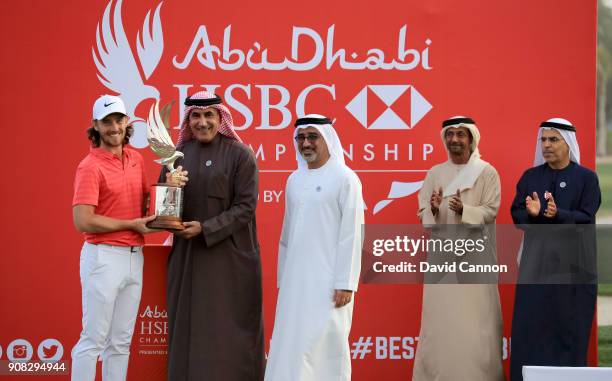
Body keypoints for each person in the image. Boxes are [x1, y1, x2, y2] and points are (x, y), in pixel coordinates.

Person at [162, 91, 264, 380]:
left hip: (230, 260)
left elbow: (245, 207)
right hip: (188, 259)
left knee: (228, 333)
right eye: (196, 116)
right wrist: (169, 186)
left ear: (221, 119)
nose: (202, 122)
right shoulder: (175, 157)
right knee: (190, 331)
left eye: (209, 115)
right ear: (188, 120)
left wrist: (206, 229)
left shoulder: (240, 154)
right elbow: (163, 213)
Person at [264, 115, 364, 381]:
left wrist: (345, 282)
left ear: (327, 138)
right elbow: (287, 235)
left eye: (312, 137)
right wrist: (284, 278)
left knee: (325, 346)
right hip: (295, 283)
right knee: (291, 344)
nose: (306, 143)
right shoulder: (294, 179)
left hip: (330, 283)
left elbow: (352, 234)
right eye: (301, 138)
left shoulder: (345, 178)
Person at [71, 94, 156, 381]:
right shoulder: (89, 166)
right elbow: (83, 220)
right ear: (95, 125)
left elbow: (147, 201)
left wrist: (171, 187)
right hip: (103, 257)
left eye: (118, 120)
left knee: (120, 343)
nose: (114, 127)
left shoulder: (136, 159)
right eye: (107, 122)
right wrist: (131, 224)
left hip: (134, 256)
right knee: (93, 340)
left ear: (127, 122)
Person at [413, 116, 504, 381]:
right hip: (442, 260)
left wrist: (464, 210)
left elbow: (490, 210)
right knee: (441, 326)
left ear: (471, 138)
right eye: (450, 134)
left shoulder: (486, 172)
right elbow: (423, 213)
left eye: (460, 134)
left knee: (475, 327)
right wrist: (432, 208)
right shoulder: (435, 173)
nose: (454, 140)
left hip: (476, 259)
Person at [510, 118, 601, 381]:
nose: (547, 145)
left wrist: (556, 214)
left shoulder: (586, 178)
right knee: (531, 328)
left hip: (573, 268)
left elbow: (586, 216)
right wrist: (534, 214)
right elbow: (517, 215)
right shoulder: (530, 177)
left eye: (554, 139)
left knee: (569, 329)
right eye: (544, 140)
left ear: (568, 143)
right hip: (536, 267)